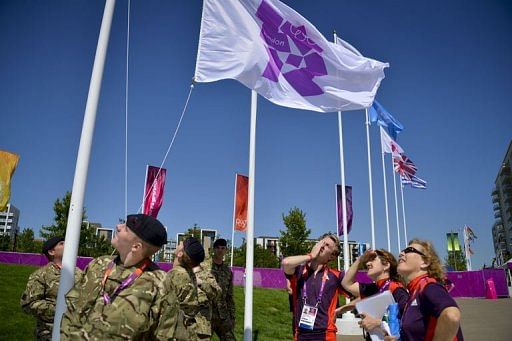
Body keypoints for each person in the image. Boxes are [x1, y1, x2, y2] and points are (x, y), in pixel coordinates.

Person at [60, 214, 178, 339]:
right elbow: (72, 311)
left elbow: (164, 335)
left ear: (136, 247)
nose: (118, 226)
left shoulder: (159, 283)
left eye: (126, 228)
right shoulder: (98, 264)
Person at [385, 239, 463, 341]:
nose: (401, 253)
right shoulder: (414, 292)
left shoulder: (429, 286)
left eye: (409, 250)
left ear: (425, 262)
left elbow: (451, 316)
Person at [282, 233, 344, 341]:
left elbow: (361, 293)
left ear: (332, 256)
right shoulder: (299, 270)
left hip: (325, 334)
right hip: (301, 333)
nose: (323, 246)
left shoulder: (336, 276)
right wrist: (310, 256)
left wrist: (342, 309)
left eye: (328, 245)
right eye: (322, 243)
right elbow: (286, 263)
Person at [20, 237, 81, 340]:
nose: (67, 244)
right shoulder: (41, 275)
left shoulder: (80, 273)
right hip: (50, 333)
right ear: (52, 252)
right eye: (62, 243)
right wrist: (60, 310)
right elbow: (28, 304)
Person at [341, 249, 409, 339]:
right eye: (368, 261)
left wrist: (378, 323)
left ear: (386, 265)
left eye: (373, 259)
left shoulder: (397, 290)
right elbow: (346, 283)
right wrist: (360, 259)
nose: (368, 263)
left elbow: (408, 324)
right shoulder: (372, 288)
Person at [165, 236, 221, 340]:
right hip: (177, 328)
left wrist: (200, 282)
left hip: (199, 328)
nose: (178, 244)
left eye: (181, 244)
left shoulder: (203, 274)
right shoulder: (176, 273)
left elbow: (217, 292)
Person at [204, 238, 236, 340]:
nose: (220, 250)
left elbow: (229, 295)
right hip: (206, 314)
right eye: (217, 248)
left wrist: (232, 316)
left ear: (226, 250)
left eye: (223, 248)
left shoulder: (227, 271)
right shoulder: (204, 266)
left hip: (222, 314)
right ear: (214, 249)